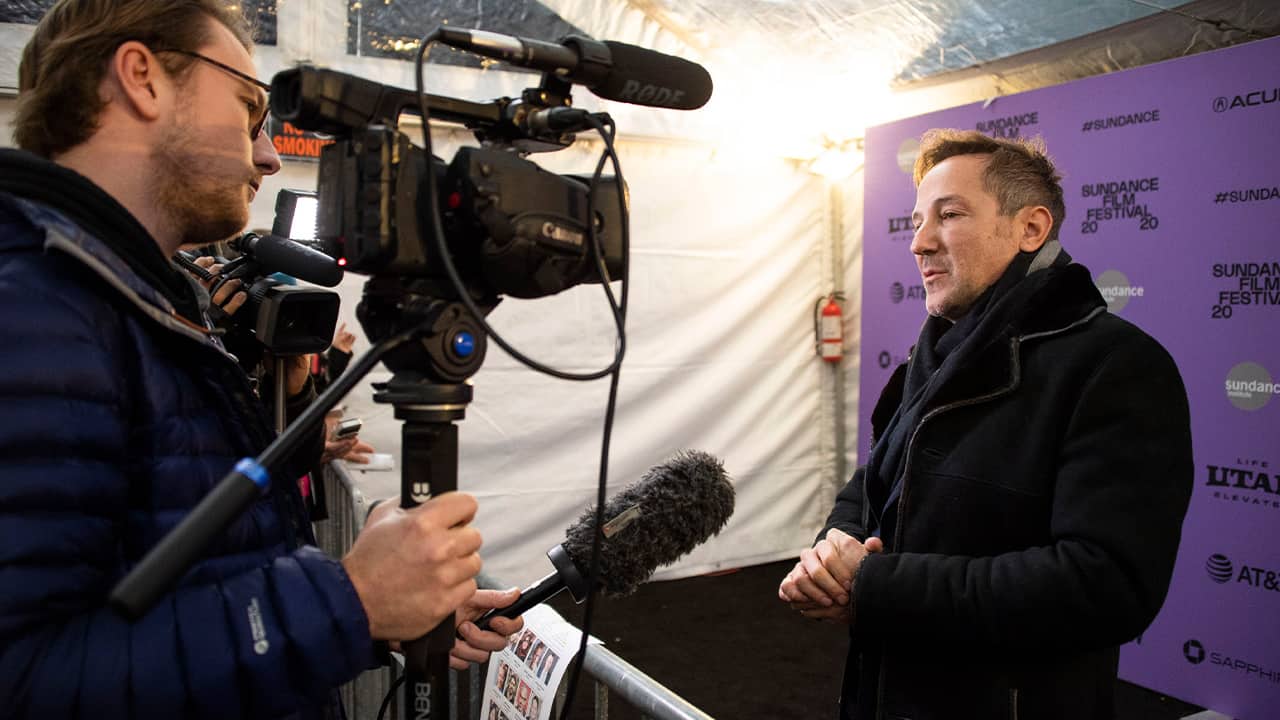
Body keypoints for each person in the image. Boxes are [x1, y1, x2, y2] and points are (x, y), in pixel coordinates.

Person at [0, 2, 521, 717]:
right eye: (250, 108)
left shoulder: (132, 302)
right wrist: (349, 603)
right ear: (141, 78)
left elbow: (187, 595)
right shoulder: (33, 313)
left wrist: (380, 606)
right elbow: (25, 683)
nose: (270, 156)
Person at [778, 129, 1193, 720]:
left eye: (949, 215)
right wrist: (832, 555)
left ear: (1030, 228)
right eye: (917, 220)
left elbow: (1104, 585)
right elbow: (874, 487)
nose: (919, 243)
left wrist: (873, 587)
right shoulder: (935, 355)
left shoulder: (1117, 366)